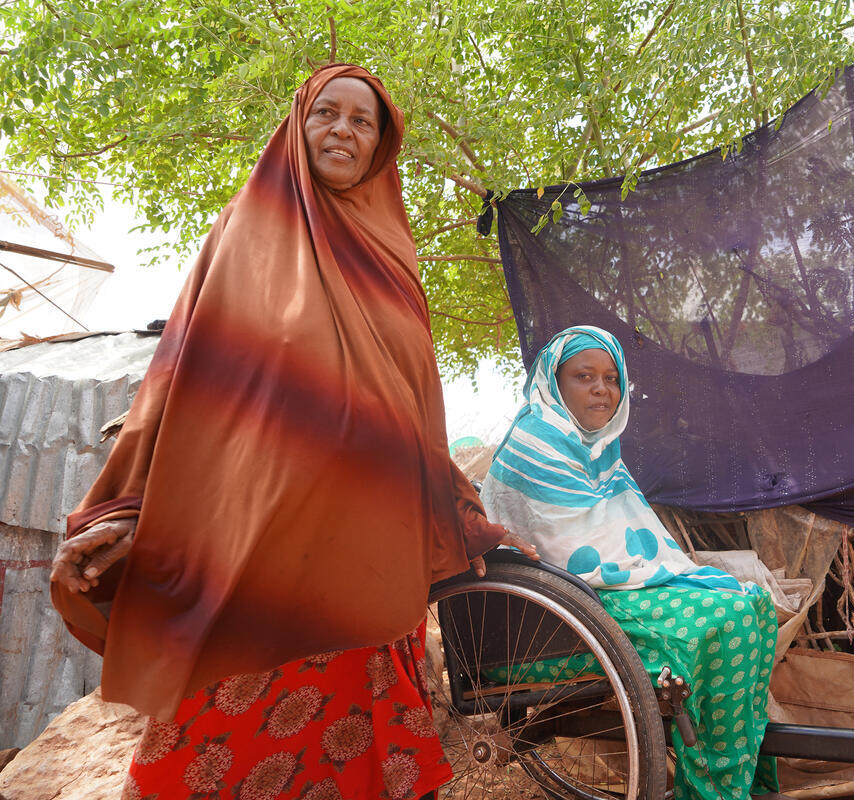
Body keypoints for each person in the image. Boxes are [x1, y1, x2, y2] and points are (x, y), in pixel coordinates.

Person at [49, 63, 534, 800]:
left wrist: (455, 504)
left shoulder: (393, 254)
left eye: (362, 121)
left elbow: (416, 401)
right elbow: (184, 376)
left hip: (373, 536)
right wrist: (128, 499)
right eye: (326, 114)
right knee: (220, 719)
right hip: (257, 534)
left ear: (380, 144)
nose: (342, 130)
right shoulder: (245, 231)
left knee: (368, 736)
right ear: (298, 125)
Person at [480, 325, 781, 800]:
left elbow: (625, 541)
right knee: (726, 621)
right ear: (554, 384)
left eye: (611, 377)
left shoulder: (601, 451)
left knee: (752, 603)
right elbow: (574, 549)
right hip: (550, 629)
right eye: (584, 376)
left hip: (598, 600)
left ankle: (742, 782)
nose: (602, 388)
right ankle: (713, 791)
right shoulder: (536, 440)